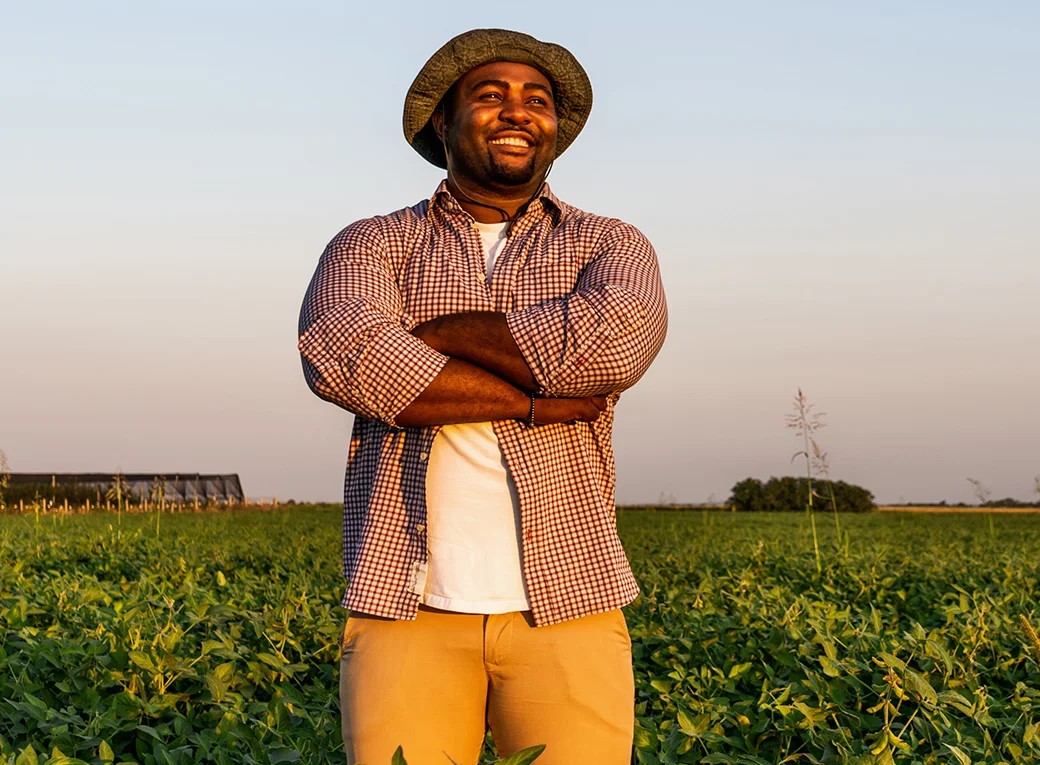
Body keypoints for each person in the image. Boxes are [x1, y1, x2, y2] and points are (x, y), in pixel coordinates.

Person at [298, 28, 667, 765]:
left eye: (536, 101)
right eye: (490, 95)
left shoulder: (609, 244)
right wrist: (538, 399)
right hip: (405, 605)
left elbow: (616, 343)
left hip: (571, 600)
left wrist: (435, 334)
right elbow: (343, 353)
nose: (516, 112)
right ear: (443, 120)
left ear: (555, 129)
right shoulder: (372, 243)